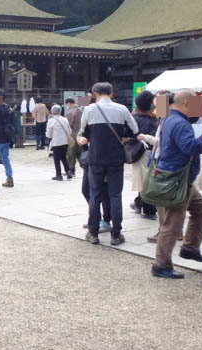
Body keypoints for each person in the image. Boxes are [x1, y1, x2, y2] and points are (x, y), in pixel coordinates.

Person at [151, 89, 202, 279]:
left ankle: (190, 248)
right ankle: (161, 264)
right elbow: (190, 147)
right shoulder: (180, 123)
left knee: (201, 209)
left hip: (178, 177)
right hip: (178, 179)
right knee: (172, 224)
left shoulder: (170, 119)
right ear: (187, 104)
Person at [78, 82, 139, 246]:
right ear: (111, 94)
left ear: (95, 94)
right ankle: (116, 233)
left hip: (95, 158)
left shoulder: (89, 110)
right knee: (115, 195)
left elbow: (83, 133)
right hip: (115, 158)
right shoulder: (122, 109)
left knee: (95, 195)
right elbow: (134, 130)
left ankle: (93, 232)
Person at [130, 90, 159, 220]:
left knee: (143, 180)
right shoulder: (155, 120)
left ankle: (142, 205)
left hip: (136, 152)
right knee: (148, 181)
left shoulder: (133, 117)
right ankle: (146, 208)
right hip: (149, 152)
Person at [46, 104, 73, 181]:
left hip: (56, 142)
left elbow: (49, 134)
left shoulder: (51, 121)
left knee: (56, 159)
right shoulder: (65, 119)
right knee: (64, 157)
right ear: (60, 111)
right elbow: (69, 131)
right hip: (65, 141)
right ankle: (68, 172)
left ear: (52, 112)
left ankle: (59, 175)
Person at [64, 97, 83, 176]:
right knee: (80, 153)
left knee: (71, 154)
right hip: (81, 136)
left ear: (68, 103)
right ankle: (86, 167)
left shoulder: (69, 112)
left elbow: (68, 126)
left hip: (72, 136)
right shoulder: (81, 111)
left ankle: (71, 171)